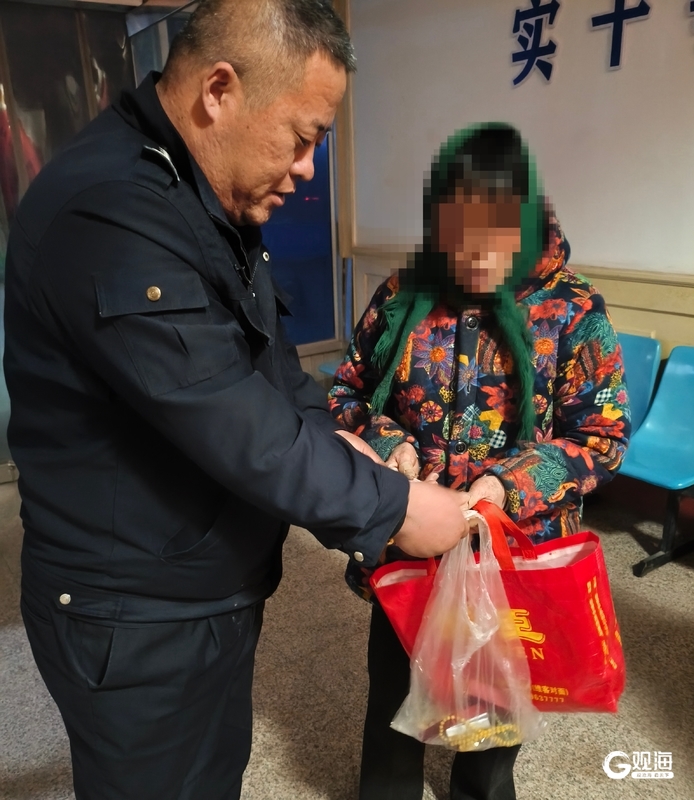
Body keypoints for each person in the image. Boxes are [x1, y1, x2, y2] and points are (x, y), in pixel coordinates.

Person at [3, 2, 470, 798]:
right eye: (303, 136)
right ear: (219, 90)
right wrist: (394, 508)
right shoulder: (115, 210)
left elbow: (272, 368)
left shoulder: (201, 197)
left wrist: (340, 441)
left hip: (203, 587)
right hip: (136, 616)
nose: (309, 168)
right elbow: (233, 420)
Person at [328, 123, 630, 800]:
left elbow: (601, 436)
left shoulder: (572, 309)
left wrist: (504, 485)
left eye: (494, 234)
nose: (474, 256)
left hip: (510, 558)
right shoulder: (403, 293)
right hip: (408, 543)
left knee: (492, 715)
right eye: (456, 234)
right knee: (394, 700)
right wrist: (389, 444)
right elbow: (346, 390)